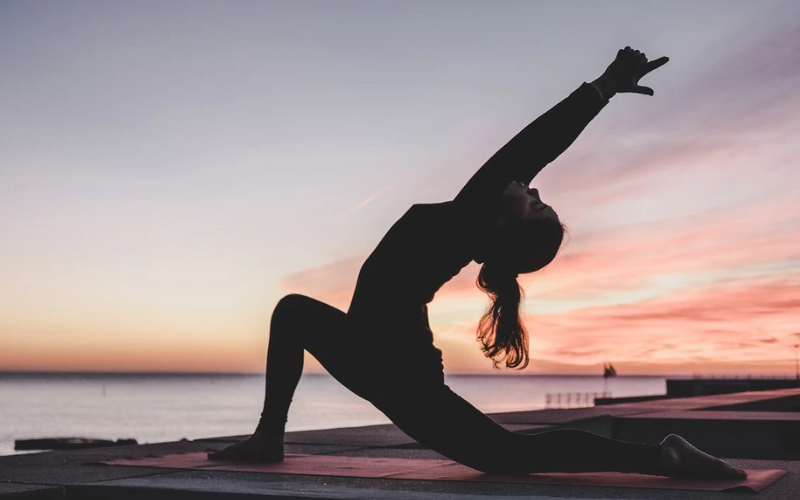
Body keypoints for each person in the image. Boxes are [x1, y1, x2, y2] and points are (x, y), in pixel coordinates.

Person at [209, 47, 746, 480]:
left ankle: (661, 457)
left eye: (535, 202)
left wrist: (602, 88)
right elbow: (530, 156)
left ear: (506, 228)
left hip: (396, 371)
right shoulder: (468, 224)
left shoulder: (470, 218)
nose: (531, 186)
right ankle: (269, 437)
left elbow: (534, 146)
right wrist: (602, 89)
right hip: (370, 351)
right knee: (293, 311)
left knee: (507, 458)